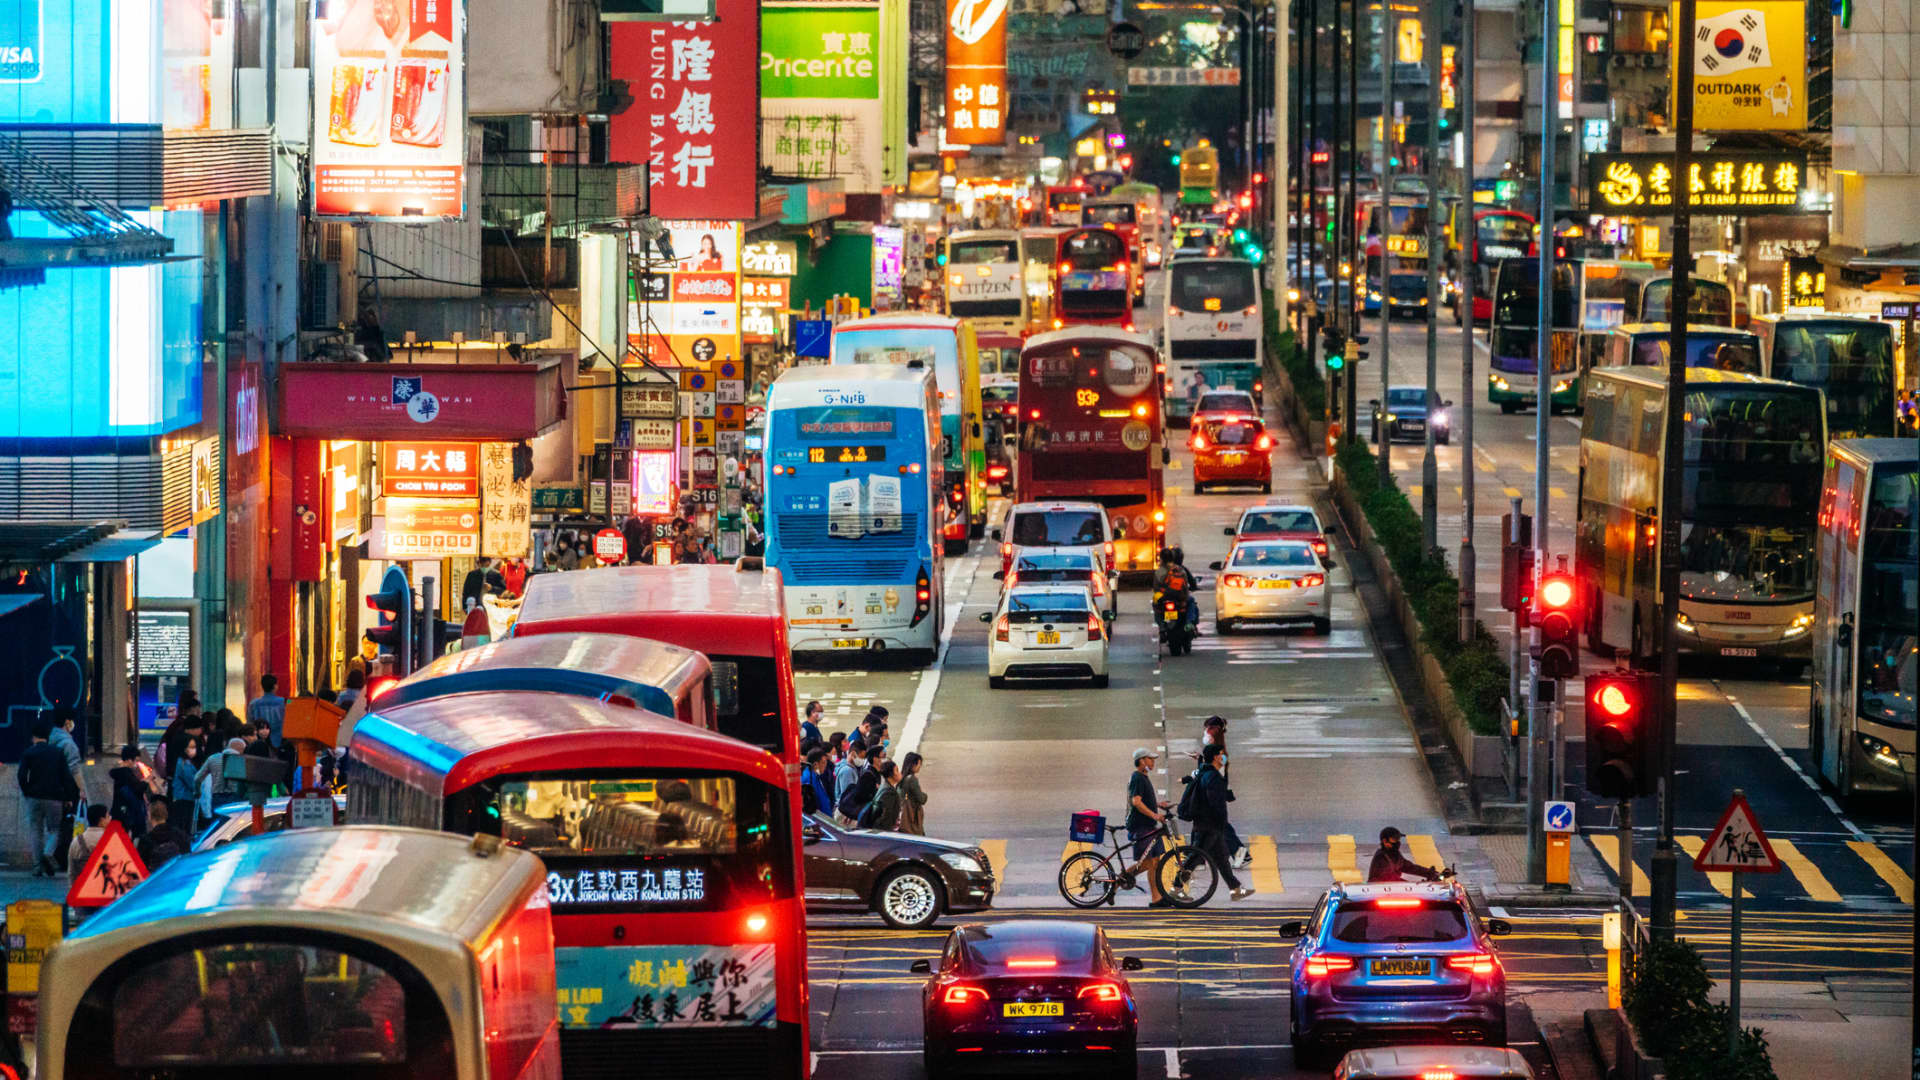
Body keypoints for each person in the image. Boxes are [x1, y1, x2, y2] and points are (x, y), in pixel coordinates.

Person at [1189, 743, 1254, 901]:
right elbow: (1213, 802)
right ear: (1215, 757)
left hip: (1212, 826)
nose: (1223, 756)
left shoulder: (1208, 772)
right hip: (1208, 826)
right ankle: (1176, 887)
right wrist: (1220, 820)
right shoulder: (1211, 776)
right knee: (1196, 857)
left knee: (1221, 859)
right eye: (1220, 753)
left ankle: (1235, 889)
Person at [18, 720, 77, 876]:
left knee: (36, 831)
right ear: (47, 737)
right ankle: (48, 852)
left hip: (34, 797)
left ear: (34, 737)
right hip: (55, 798)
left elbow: (22, 776)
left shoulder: (29, 753)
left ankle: (37, 866)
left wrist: (27, 791)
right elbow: (66, 777)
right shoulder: (57, 752)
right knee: (54, 830)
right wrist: (68, 796)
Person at [1125, 748, 1174, 907]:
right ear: (1141, 761)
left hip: (1148, 826)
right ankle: (1118, 882)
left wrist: (1157, 804)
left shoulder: (1143, 777)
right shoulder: (1138, 777)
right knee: (1148, 863)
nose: (1153, 762)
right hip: (1141, 826)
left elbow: (1143, 799)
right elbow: (1136, 801)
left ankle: (1156, 898)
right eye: (1150, 759)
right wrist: (1154, 815)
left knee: (1156, 862)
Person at [108, 745, 156, 840]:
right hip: (128, 813)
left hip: (121, 811)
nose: (137, 764)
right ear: (129, 760)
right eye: (136, 760)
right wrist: (147, 780)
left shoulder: (120, 773)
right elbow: (137, 788)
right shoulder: (125, 773)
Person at [196, 737, 249, 822]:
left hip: (217, 797)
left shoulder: (212, 758)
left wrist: (197, 792)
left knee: (217, 824)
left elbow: (197, 778)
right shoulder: (242, 760)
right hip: (235, 799)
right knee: (232, 824)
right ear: (241, 749)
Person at [1368, 826, 1443, 883]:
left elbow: (1410, 867)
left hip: (1391, 889)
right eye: (1394, 839)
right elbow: (1388, 877)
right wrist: (1410, 884)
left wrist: (1431, 873)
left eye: (1398, 839)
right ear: (1385, 841)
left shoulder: (1395, 855)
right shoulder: (1381, 857)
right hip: (1377, 890)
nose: (1397, 842)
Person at [136, 800, 190, 872]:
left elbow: (141, 868)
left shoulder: (145, 841)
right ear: (166, 814)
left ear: (149, 816)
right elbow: (188, 857)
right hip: (180, 873)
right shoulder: (180, 834)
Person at [170, 735, 204, 833]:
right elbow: (192, 782)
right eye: (190, 747)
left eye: (194, 747)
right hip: (185, 800)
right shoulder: (185, 764)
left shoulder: (183, 762)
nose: (193, 750)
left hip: (183, 799)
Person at [246, 674, 288, 751]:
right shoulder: (284, 702)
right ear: (275, 686)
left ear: (262, 686)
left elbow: (249, 723)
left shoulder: (253, 704)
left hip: (260, 743)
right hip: (280, 741)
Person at [69, 805, 108, 878]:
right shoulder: (110, 840)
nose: (110, 819)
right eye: (108, 817)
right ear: (102, 820)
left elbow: (71, 872)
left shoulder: (76, 841)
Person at [864, 761, 902, 830]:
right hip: (882, 830)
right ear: (891, 774)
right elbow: (886, 816)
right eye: (897, 770)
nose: (899, 773)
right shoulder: (890, 792)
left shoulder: (884, 786)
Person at [896, 752, 928, 835]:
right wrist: (925, 795)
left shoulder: (901, 777)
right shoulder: (912, 779)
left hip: (902, 814)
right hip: (911, 816)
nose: (920, 766)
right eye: (919, 764)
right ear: (913, 765)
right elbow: (921, 799)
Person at [833, 741, 868, 812]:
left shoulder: (853, 768)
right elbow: (848, 797)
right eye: (861, 757)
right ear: (853, 754)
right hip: (846, 811)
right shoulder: (847, 771)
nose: (863, 760)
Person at [801, 748, 835, 816]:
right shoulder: (808, 779)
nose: (825, 765)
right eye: (823, 762)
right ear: (816, 764)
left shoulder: (815, 775)